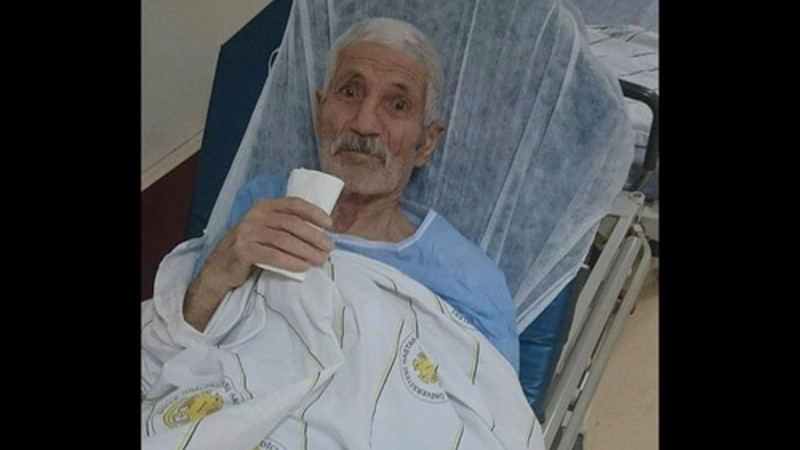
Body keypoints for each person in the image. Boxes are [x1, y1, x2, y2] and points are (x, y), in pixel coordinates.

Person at [142, 17, 542, 450]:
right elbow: (173, 350)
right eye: (350, 92)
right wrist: (221, 269)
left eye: (398, 104)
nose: (365, 123)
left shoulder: (471, 280)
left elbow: (496, 428)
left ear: (427, 142)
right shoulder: (263, 201)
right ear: (320, 111)